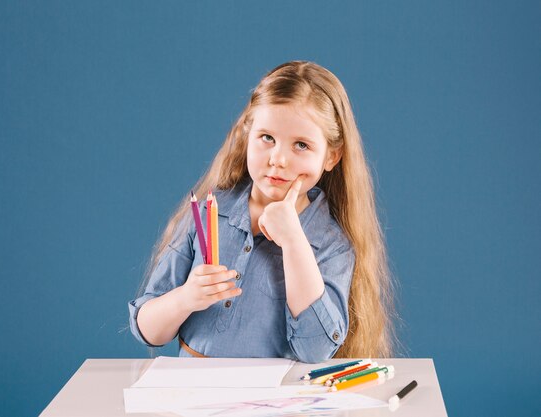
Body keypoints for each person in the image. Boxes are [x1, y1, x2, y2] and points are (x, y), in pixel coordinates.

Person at [128, 61, 395, 363]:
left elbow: (316, 350)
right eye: (267, 138)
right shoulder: (206, 214)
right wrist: (185, 298)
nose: (278, 159)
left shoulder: (331, 246)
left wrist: (294, 241)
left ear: (331, 156)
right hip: (192, 396)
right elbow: (147, 330)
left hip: (274, 402)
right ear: (247, 135)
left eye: (301, 145)